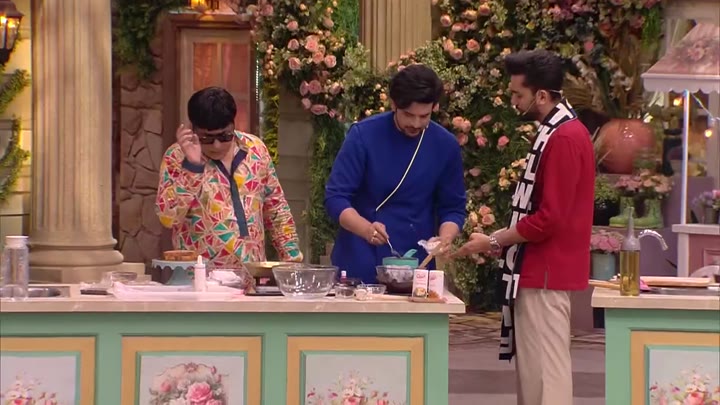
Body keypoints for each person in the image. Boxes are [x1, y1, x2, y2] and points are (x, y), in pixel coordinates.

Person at [452, 50, 595, 405]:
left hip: (546, 270)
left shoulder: (564, 137)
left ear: (541, 95)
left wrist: (494, 239)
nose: (514, 101)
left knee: (545, 373)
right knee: (535, 372)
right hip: (540, 268)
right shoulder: (560, 130)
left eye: (518, 94)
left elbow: (549, 218)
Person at [324, 64, 467, 283]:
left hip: (416, 261)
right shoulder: (364, 135)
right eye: (408, 115)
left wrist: (445, 238)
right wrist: (365, 229)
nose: (416, 124)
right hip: (360, 254)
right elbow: (335, 197)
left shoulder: (445, 145)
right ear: (393, 104)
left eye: (424, 116)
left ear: (434, 107)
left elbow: (453, 207)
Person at [156, 86, 303, 266]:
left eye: (225, 136)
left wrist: (292, 261)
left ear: (234, 125)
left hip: (252, 274)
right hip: (199, 276)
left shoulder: (255, 150)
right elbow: (168, 218)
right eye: (207, 138)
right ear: (192, 129)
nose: (217, 145)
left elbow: (277, 209)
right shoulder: (176, 157)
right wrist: (192, 167)